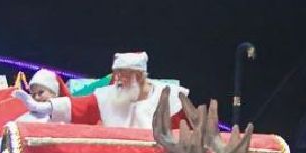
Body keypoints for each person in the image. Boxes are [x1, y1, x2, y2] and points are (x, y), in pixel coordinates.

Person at [14, 52, 188, 129]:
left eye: (124, 76)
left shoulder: (172, 99)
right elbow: (77, 106)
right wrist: (41, 107)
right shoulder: (109, 95)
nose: (118, 81)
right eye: (117, 75)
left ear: (140, 76)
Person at [0, 68, 65, 150]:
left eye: (40, 93)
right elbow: (8, 151)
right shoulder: (25, 120)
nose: (36, 97)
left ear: (54, 93)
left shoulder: (66, 117)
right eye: (33, 94)